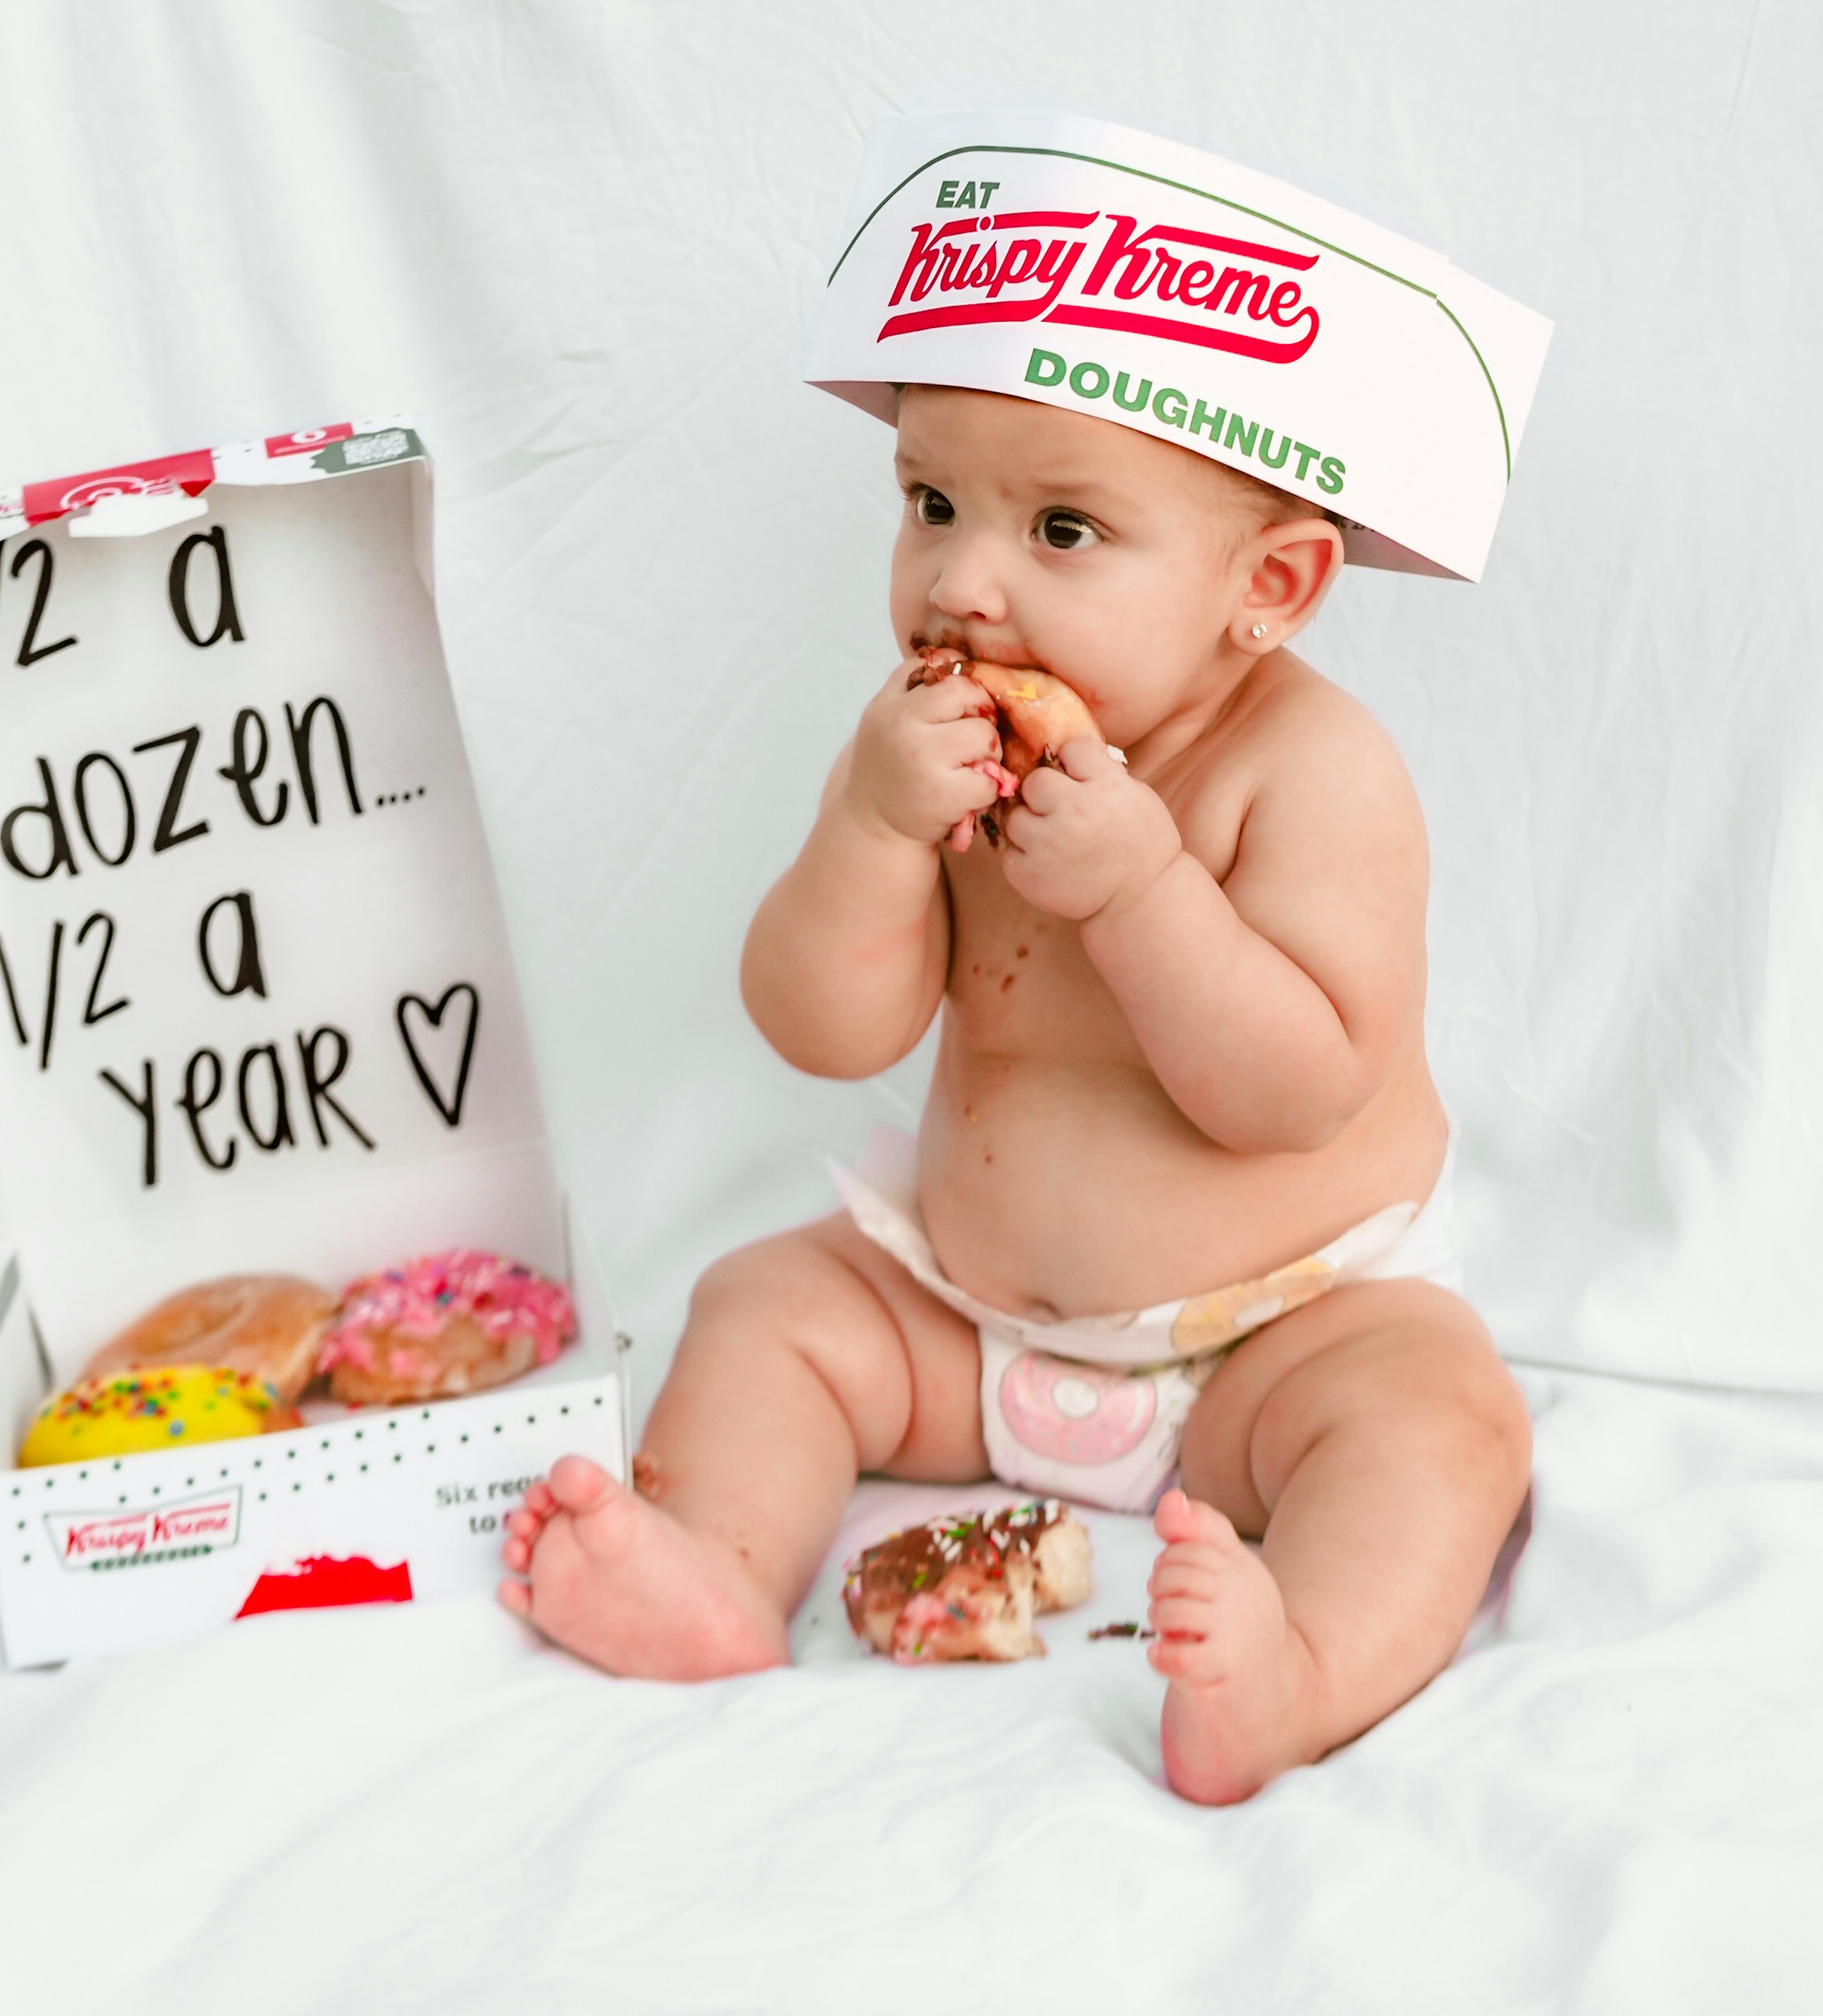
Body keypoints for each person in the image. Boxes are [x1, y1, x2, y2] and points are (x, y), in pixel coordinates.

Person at [500, 374, 1530, 1803]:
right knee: (767, 1309)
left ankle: (1303, 1667)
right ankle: (718, 1573)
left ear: (1270, 585)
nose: (962, 584)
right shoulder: (936, 757)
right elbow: (826, 1028)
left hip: (1275, 1346)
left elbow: (1300, 1093)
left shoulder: (1312, 771)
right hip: (968, 1329)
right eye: (931, 504)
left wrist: (1145, 890)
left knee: (1444, 1419)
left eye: (1061, 527)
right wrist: (870, 828)